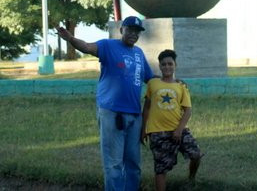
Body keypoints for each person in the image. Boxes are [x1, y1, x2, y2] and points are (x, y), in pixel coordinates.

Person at [57, 16, 154, 191]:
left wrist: (172, 82)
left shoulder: (139, 53)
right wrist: (70, 39)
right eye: (130, 29)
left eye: (137, 31)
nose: (134, 34)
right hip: (112, 113)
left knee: (133, 164)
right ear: (121, 30)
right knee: (114, 164)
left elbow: (151, 79)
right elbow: (86, 47)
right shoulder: (108, 46)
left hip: (134, 115)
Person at [141, 49, 203, 191]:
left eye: (170, 64)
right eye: (163, 64)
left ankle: (191, 178)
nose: (167, 67)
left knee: (196, 154)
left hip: (179, 130)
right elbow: (147, 108)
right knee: (160, 168)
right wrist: (143, 129)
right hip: (157, 132)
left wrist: (179, 130)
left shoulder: (181, 86)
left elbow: (187, 110)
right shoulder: (153, 84)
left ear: (176, 65)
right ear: (160, 66)